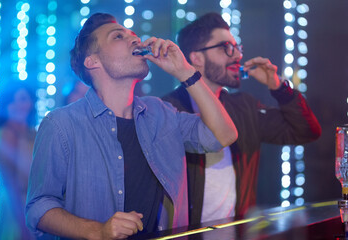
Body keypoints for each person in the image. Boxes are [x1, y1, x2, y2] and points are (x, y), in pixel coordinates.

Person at [25, 12, 238, 239]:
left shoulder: (161, 113)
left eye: (134, 35)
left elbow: (223, 136)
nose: (136, 40)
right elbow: (38, 207)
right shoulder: (61, 124)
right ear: (92, 61)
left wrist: (185, 72)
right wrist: (98, 231)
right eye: (118, 37)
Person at [162, 12, 322, 224]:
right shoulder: (167, 109)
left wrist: (279, 87)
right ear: (196, 58)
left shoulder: (244, 106)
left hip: (238, 232)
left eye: (238, 48)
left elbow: (306, 131)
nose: (237, 56)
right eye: (226, 47)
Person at [0, 81, 37, 240]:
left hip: (36, 204)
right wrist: (23, 224)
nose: (19, 105)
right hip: (16, 205)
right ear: (6, 105)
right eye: (13, 100)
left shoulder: (34, 133)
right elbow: (10, 184)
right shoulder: (5, 135)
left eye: (23, 99)